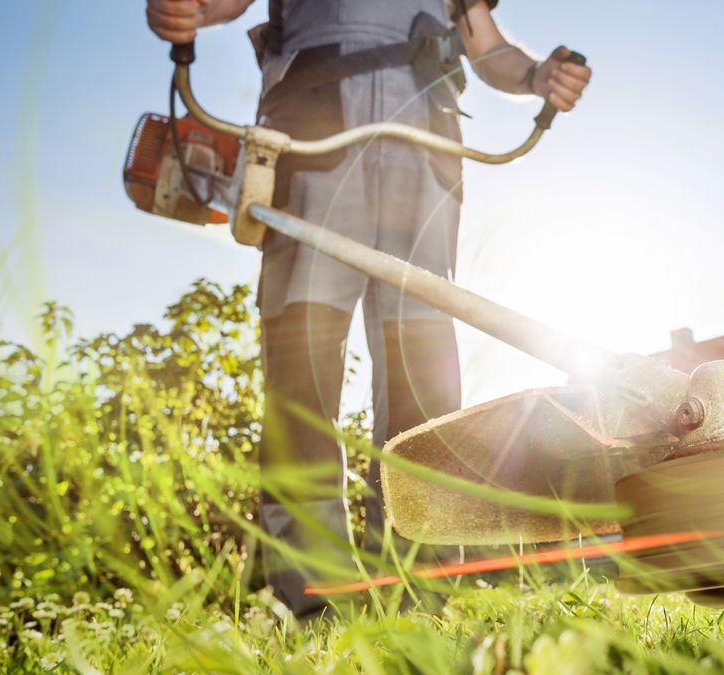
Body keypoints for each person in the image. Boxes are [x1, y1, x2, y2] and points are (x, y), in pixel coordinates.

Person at [145, 0, 591, 617]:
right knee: (301, 373)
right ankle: (312, 607)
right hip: (314, 129)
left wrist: (540, 76)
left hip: (425, 138)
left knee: (424, 383)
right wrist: (184, 11)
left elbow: (486, 47)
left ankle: (422, 600)